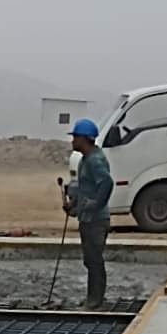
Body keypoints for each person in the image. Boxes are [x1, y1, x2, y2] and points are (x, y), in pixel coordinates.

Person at [67, 118, 112, 309]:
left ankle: (95, 301)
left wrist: (95, 205)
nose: (72, 141)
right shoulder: (85, 160)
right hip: (87, 218)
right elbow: (86, 188)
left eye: (75, 137)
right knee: (90, 259)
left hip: (96, 220)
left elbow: (106, 183)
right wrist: (74, 206)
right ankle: (93, 297)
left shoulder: (95, 161)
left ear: (84, 139)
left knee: (94, 260)